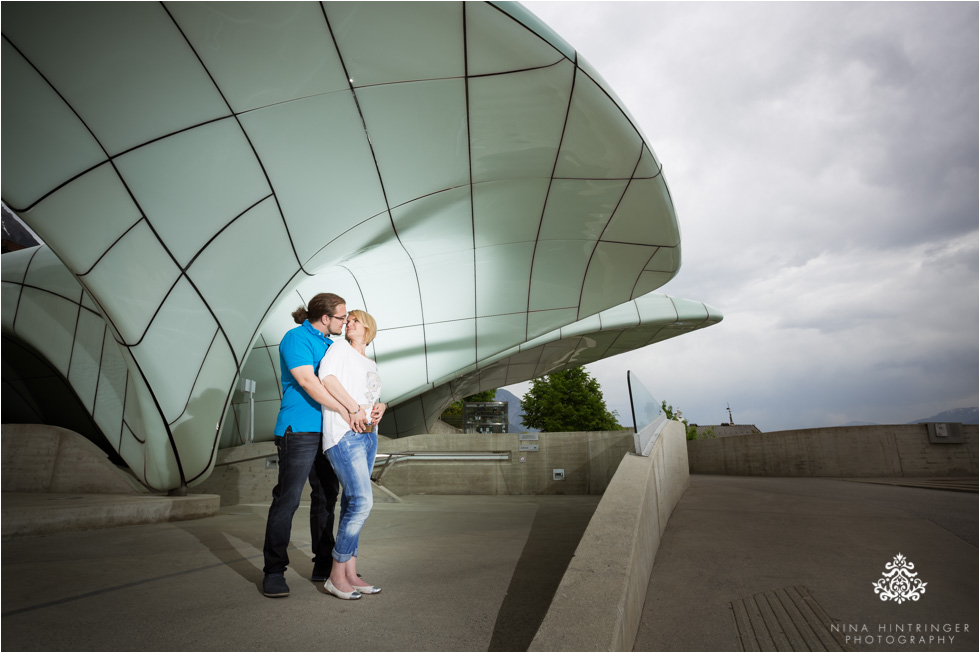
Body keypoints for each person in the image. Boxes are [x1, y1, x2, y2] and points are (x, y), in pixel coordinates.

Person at [261, 293, 369, 598]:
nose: (345, 321)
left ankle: (323, 564)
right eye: (341, 317)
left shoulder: (333, 345)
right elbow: (309, 382)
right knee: (288, 499)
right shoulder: (296, 338)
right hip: (299, 429)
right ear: (325, 318)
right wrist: (347, 410)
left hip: (328, 432)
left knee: (327, 497)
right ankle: (274, 571)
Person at [317, 310, 386, 600]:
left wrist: (382, 406)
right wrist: (354, 409)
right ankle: (336, 574)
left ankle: (351, 574)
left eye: (356, 320)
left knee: (350, 504)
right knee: (362, 502)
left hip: (369, 435)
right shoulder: (339, 348)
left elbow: (370, 396)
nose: (349, 323)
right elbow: (328, 379)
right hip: (345, 434)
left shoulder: (370, 362)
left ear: (368, 328)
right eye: (349, 320)